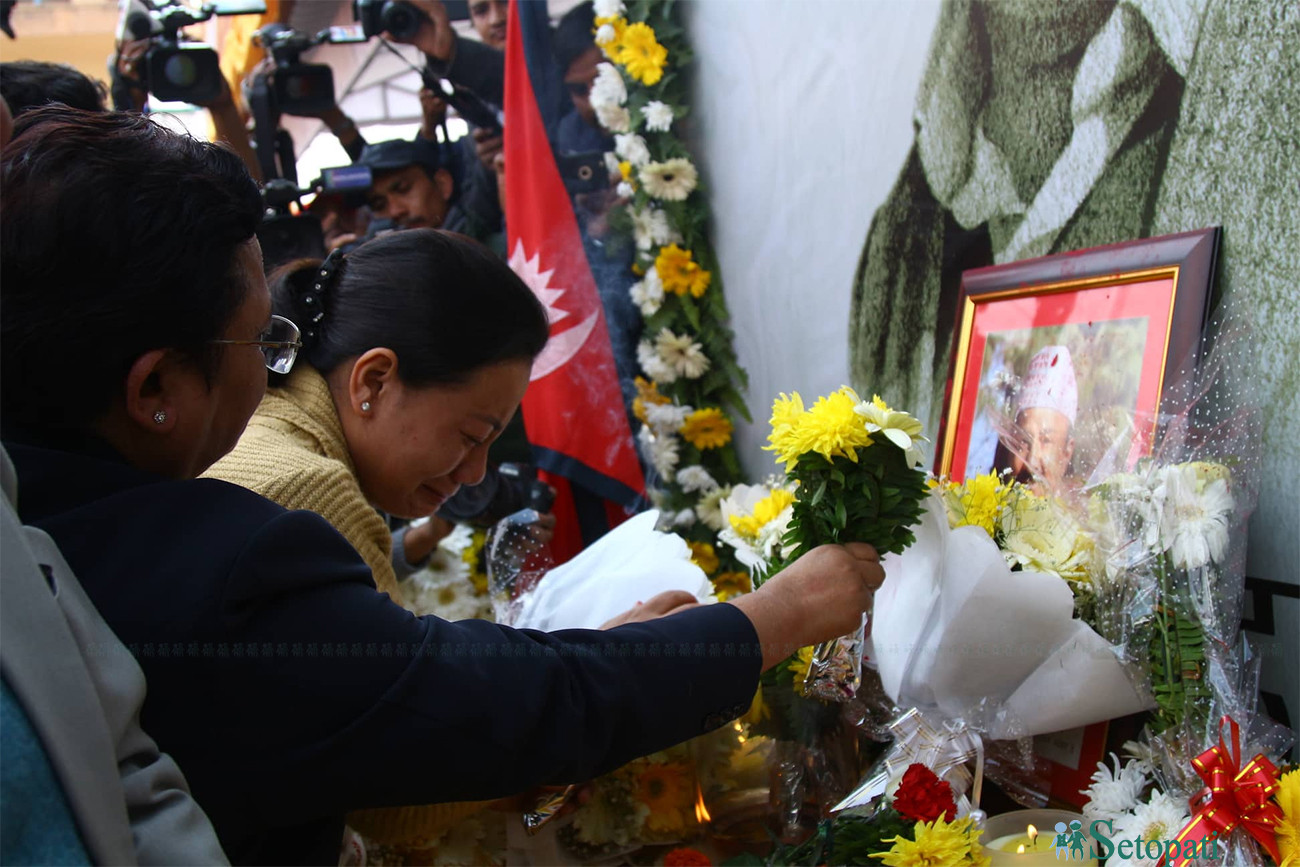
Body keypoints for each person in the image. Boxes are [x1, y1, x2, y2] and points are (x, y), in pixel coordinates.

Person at [2, 107, 886, 866]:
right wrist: (771, 618)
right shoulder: (253, 527)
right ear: (154, 388)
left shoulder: (40, 512)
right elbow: (430, 742)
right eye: (259, 344)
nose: (471, 475)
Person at [1004, 344, 1077, 490]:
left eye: (1046, 440)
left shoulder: (1084, 510)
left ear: (1067, 453)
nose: (1031, 463)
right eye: (1023, 442)